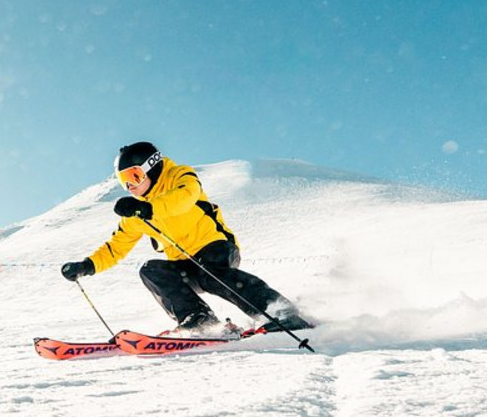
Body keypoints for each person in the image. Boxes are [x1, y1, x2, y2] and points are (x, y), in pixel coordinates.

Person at [60, 141, 313, 335]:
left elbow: (185, 198)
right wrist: (87, 266)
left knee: (210, 273)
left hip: (215, 247)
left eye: (134, 177)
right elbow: (116, 247)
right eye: (123, 181)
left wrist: (150, 209)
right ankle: (200, 319)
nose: (130, 187)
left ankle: (280, 312)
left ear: (152, 166)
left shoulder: (180, 177)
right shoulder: (138, 211)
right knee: (151, 270)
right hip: (184, 264)